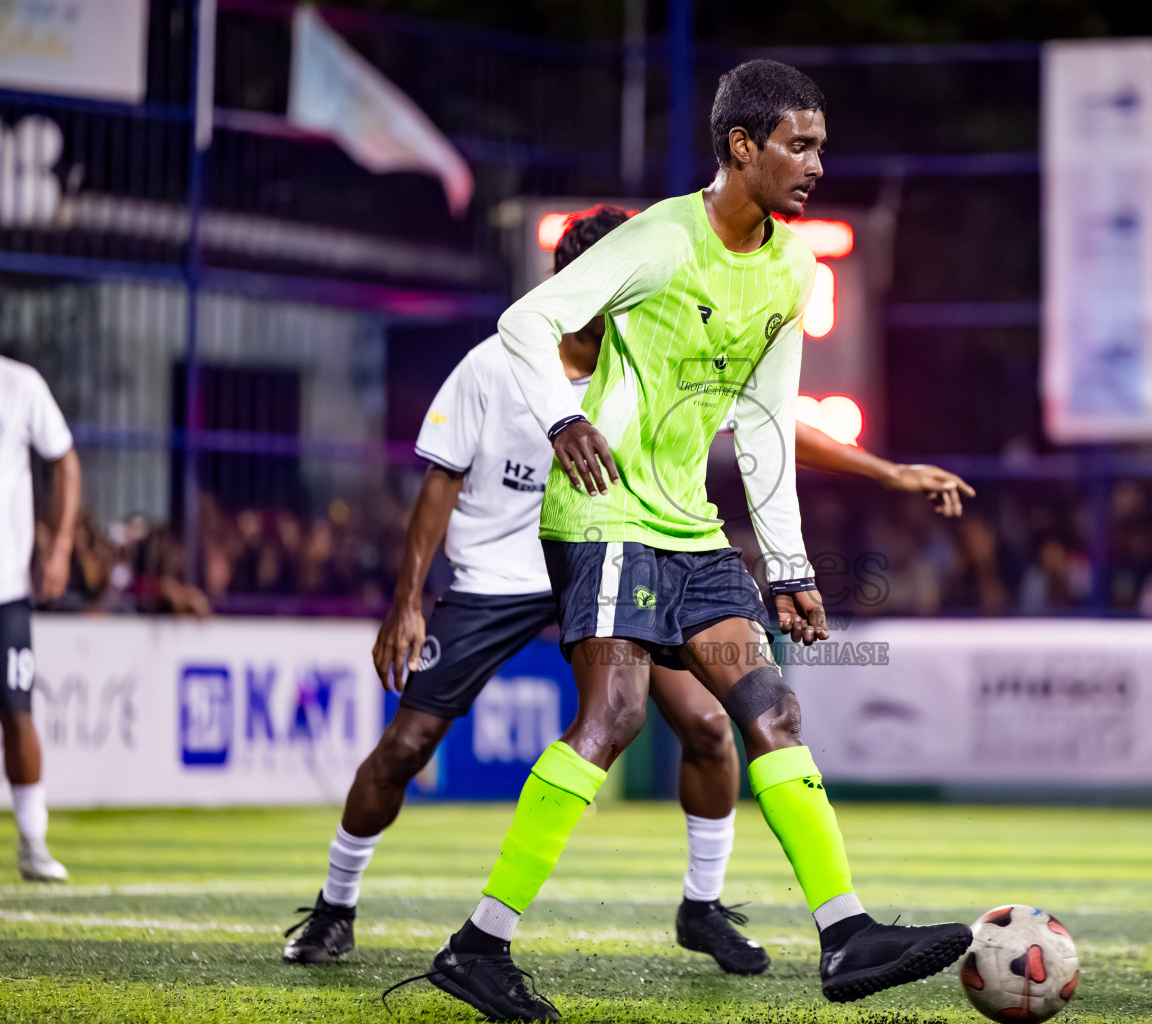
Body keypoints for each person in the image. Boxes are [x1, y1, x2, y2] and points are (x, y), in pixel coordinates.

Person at [390, 61, 974, 1023]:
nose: (816, 163)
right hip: (605, 514)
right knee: (613, 721)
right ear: (742, 147)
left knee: (769, 711)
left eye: (821, 144)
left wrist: (787, 567)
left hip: (693, 532)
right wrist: (559, 423)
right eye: (799, 143)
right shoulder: (660, 239)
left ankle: (844, 932)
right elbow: (524, 320)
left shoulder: (793, 268)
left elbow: (768, 424)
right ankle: (479, 946)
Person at [284, 207, 973, 974]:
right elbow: (441, 477)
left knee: (713, 726)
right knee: (410, 744)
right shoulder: (496, 364)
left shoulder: (650, 352)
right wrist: (408, 598)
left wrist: (888, 472)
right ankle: (338, 907)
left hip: (624, 552)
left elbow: (767, 422)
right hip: (506, 574)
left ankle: (703, 907)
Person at [0, 270, 80, 882]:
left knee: (16, 712)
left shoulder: (17, 386)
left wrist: (59, 547)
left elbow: (65, 461)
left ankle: (33, 843)